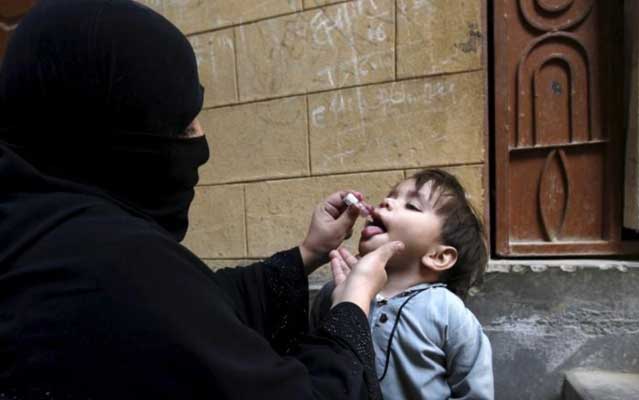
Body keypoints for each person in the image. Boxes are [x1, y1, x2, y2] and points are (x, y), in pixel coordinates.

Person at [0, 0, 404, 398]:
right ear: (113, 137)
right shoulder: (117, 269)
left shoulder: (30, 224)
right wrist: (352, 306)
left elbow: (201, 304)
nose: (201, 141)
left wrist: (307, 252)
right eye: (183, 122)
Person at [311, 169, 495, 399]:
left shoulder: (447, 312)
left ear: (439, 256)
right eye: (391, 195)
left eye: (412, 206)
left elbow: (475, 393)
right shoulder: (336, 293)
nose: (386, 201)